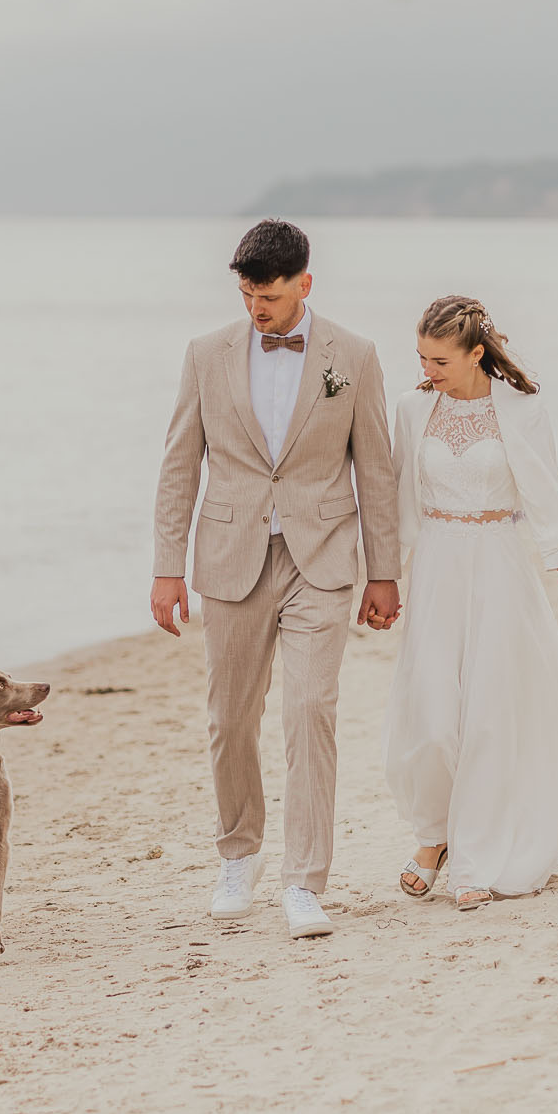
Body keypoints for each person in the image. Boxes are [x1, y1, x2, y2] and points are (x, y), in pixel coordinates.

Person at [150, 219, 402, 940]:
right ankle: (239, 854)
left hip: (321, 557)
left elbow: (375, 468)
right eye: (246, 294)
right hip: (229, 558)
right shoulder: (206, 355)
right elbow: (179, 464)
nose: (255, 309)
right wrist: (168, 566)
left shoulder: (352, 355)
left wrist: (384, 573)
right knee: (229, 719)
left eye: (267, 296)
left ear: (304, 285)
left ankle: (304, 881)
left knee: (310, 712)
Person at [383, 297, 558, 910]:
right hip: (435, 573)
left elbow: (547, 505)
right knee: (429, 719)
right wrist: (386, 581)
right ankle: (433, 834)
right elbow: (400, 501)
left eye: (440, 360)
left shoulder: (522, 410)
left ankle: (471, 852)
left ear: (477, 353)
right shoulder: (412, 408)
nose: (428, 370)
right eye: (421, 358)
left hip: (499, 568)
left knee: (488, 718)